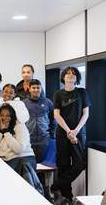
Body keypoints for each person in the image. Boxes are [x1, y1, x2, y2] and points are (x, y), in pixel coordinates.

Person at [51, 66, 91, 204]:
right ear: (63, 77)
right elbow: (56, 114)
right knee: (63, 164)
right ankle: (67, 196)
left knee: (80, 164)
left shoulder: (82, 92)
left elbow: (86, 114)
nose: (70, 75)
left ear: (77, 78)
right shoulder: (58, 94)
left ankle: (56, 186)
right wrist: (69, 131)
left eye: (73, 74)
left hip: (79, 133)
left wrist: (75, 131)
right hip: (63, 133)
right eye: (67, 73)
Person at [0, 103, 36, 171]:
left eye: (8, 116)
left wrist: (6, 132)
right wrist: (0, 132)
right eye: (2, 115)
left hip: (22, 159)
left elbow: (19, 150)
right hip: (5, 160)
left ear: (12, 116)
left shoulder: (20, 126)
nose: (4, 118)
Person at [23, 79, 56, 163]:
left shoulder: (48, 102)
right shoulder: (23, 103)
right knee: (31, 164)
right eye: (33, 88)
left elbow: (53, 120)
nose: (36, 90)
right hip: (28, 140)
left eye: (38, 88)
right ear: (29, 89)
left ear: (41, 89)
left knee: (44, 164)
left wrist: (51, 135)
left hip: (44, 140)